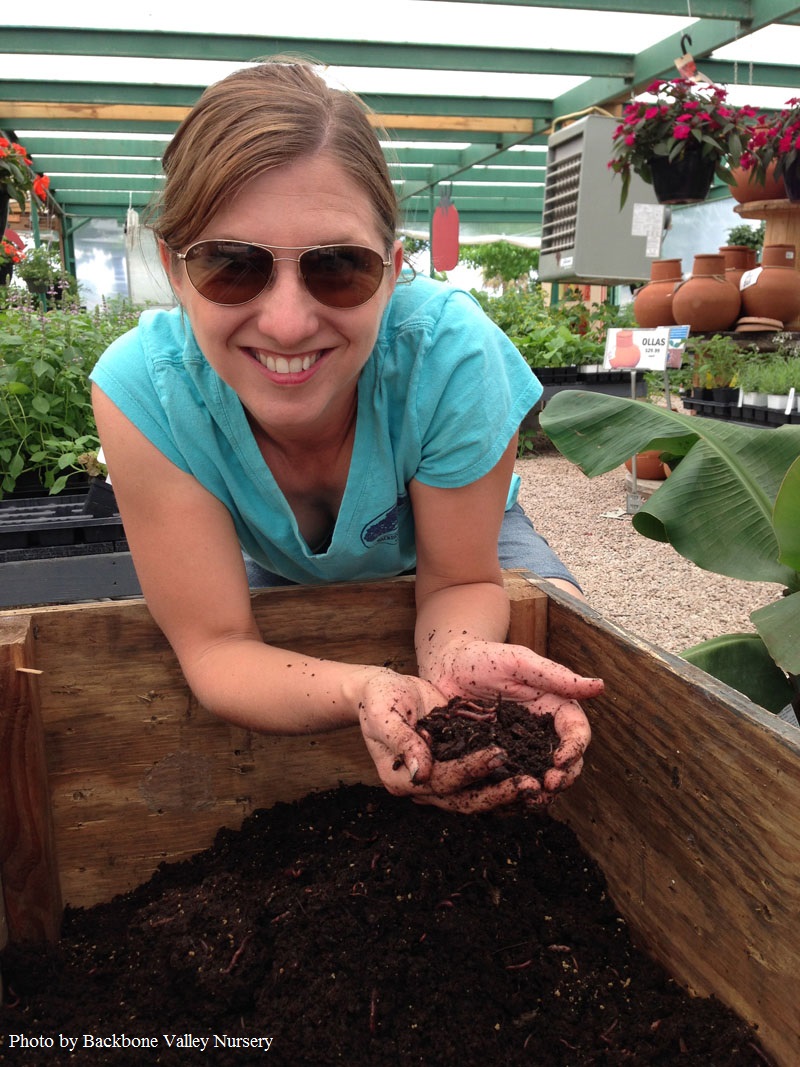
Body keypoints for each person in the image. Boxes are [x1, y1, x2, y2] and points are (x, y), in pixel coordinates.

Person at [91, 60, 603, 814]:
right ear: (175, 268)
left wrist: (456, 659)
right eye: (232, 266)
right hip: (278, 562)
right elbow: (216, 644)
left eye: (339, 267)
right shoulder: (146, 393)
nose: (289, 322)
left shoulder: (449, 353)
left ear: (394, 272)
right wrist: (362, 685)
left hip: (467, 546)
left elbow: (461, 578)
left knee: (569, 647)